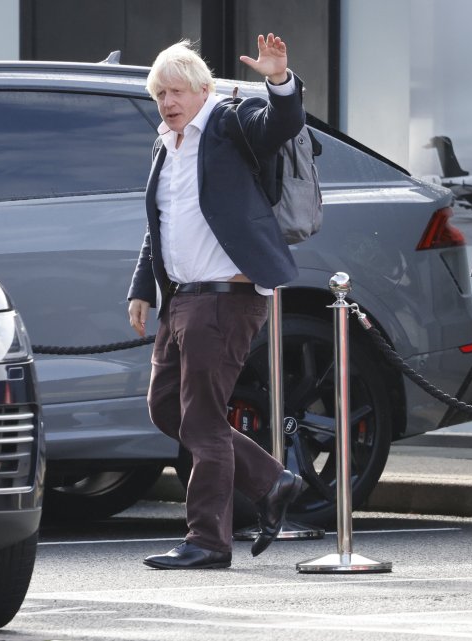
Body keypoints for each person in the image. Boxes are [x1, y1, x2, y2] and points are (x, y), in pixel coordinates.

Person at [127, 34, 306, 570]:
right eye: (160, 94)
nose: (168, 103)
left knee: (203, 420)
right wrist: (142, 286)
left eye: (177, 91)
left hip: (227, 296)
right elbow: (159, 225)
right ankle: (272, 480)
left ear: (203, 90)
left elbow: (280, 125)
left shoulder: (230, 124)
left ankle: (207, 540)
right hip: (180, 299)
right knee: (166, 409)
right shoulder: (165, 145)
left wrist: (278, 81)